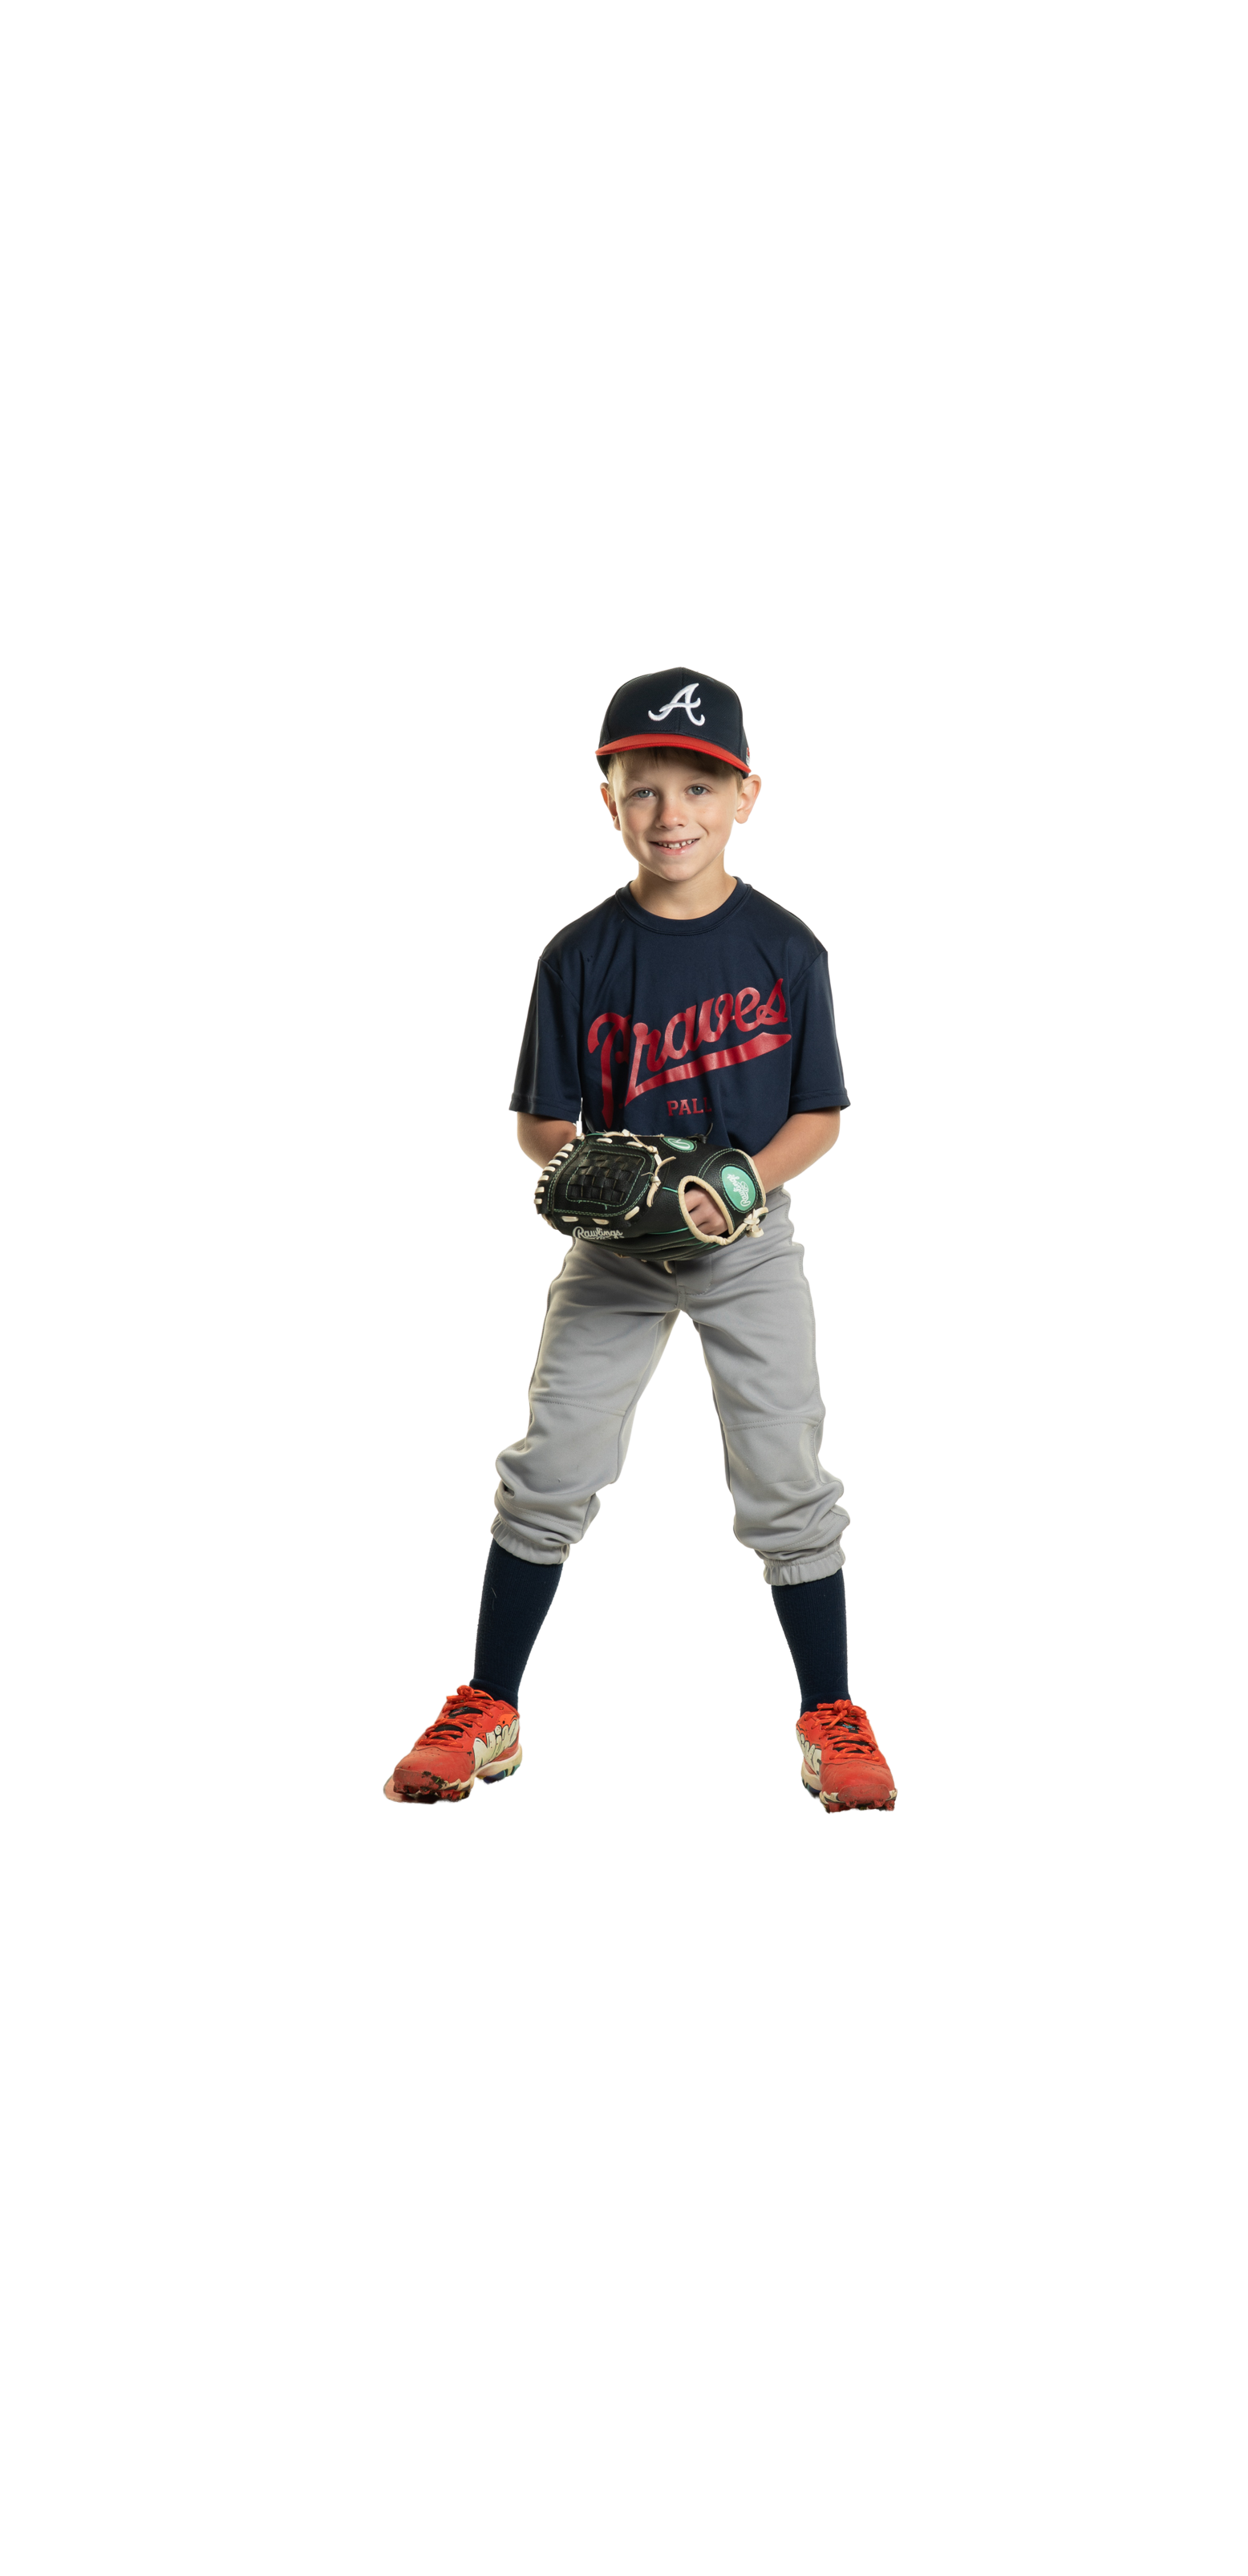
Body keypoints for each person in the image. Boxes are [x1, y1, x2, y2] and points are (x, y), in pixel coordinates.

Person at [383, 667, 898, 1815]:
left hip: (747, 1240)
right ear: (607, 798)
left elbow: (820, 1116)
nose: (673, 813)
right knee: (552, 1464)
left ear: (747, 795)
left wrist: (737, 1181)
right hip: (616, 1251)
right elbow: (541, 1123)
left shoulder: (787, 948)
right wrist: (596, 1180)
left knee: (786, 1470)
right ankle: (489, 1705)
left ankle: (830, 1708)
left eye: (700, 787)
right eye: (646, 786)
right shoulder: (575, 955)